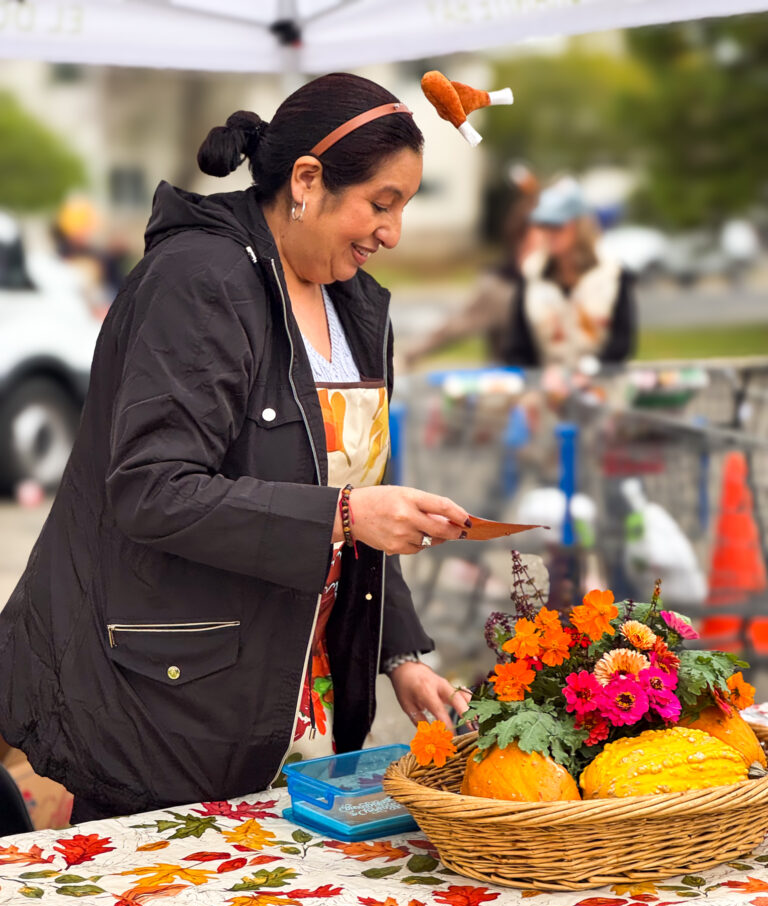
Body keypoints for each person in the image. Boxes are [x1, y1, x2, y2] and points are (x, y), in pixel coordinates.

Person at [0, 73, 473, 824]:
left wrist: (401, 657)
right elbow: (152, 488)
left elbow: (346, 488)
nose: (393, 233)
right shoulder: (201, 281)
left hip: (275, 695)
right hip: (160, 698)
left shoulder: (352, 303)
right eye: (381, 204)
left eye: (405, 207)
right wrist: (347, 513)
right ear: (307, 180)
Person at [405, 163, 541, 368]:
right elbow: (455, 327)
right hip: (510, 382)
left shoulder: (555, 280)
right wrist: (408, 355)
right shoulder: (502, 287)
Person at [504, 177, 636, 370]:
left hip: (603, 387)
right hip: (547, 390)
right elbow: (517, 346)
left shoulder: (612, 273)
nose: (550, 233)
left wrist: (591, 372)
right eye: (544, 225)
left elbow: (622, 343)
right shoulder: (531, 275)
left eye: (557, 225)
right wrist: (541, 377)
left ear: (580, 226)